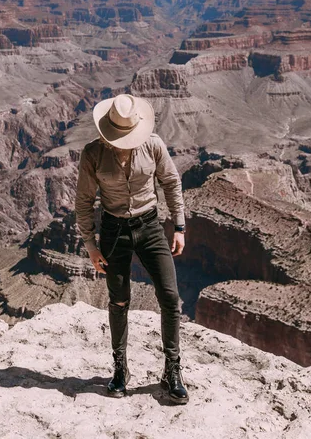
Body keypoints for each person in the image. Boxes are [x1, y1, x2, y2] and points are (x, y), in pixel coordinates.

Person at [75, 93, 188, 404]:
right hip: (114, 231)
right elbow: (84, 202)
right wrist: (90, 244)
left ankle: (172, 371)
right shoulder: (93, 154)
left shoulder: (152, 145)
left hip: (150, 226)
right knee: (119, 300)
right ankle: (120, 370)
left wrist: (179, 226)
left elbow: (171, 181)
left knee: (169, 297)